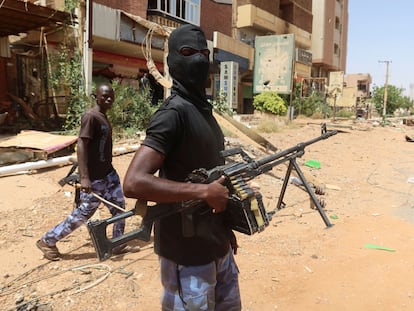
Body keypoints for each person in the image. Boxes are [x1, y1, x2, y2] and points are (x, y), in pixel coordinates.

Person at [123, 24, 241, 310]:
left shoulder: (203, 111)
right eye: (189, 52)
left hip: (217, 247)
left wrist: (227, 229)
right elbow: (134, 182)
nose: (199, 59)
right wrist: (203, 192)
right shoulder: (173, 113)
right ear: (174, 61)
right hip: (187, 256)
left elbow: (215, 180)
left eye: (204, 52)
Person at [36, 83, 136, 261]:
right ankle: (47, 241)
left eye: (111, 96)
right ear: (95, 96)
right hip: (94, 178)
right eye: (104, 96)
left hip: (108, 174)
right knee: (83, 214)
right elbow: (81, 144)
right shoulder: (91, 117)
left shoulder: (102, 116)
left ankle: (118, 241)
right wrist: (84, 178)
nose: (109, 99)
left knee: (119, 208)